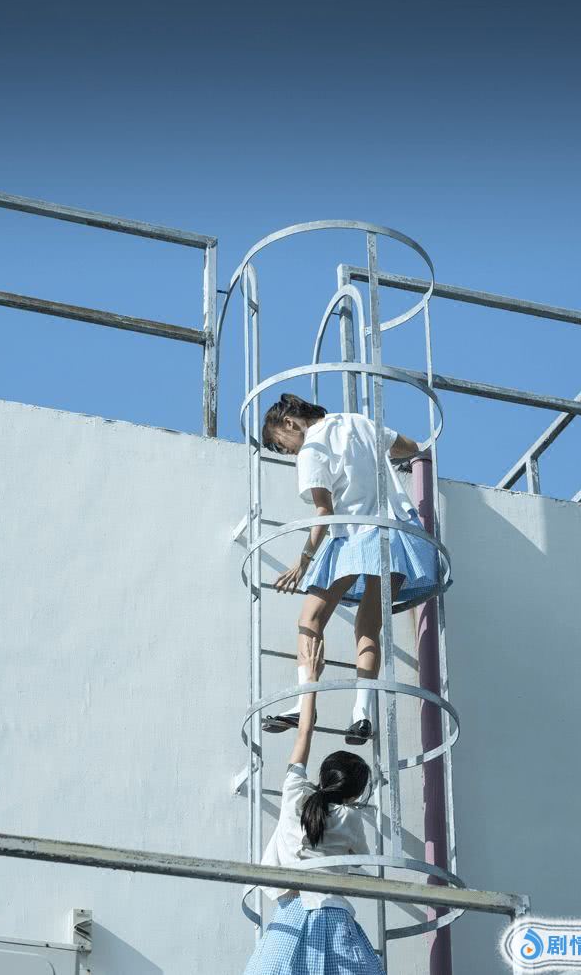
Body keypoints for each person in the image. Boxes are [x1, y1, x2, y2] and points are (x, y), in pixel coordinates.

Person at [261, 394, 438, 744]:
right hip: (393, 533)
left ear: (289, 423)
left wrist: (303, 560)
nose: (288, 452)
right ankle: (362, 714)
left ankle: (304, 705)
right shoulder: (357, 422)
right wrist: (416, 456)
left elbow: (324, 512)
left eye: (282, 445)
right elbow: (408, 446)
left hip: (352, 536)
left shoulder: (312, 449)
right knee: (369, 624)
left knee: (310, 619)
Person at [244, 636, 385, 975]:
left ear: (324, 777)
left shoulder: (296, 795)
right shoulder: (350, 817)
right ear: (355, 793)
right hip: (333, 917)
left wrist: (310, 680)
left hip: (291, 917)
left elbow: (303, 734)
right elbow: (359, 863)